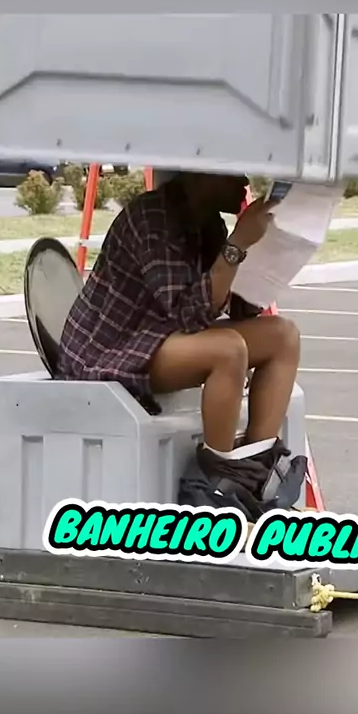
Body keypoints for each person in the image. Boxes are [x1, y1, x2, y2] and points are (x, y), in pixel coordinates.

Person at [57, 171, 301, 502]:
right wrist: (236, 246)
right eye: (232, 172)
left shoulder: (208, 223)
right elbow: (188, 315)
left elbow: (238, 307)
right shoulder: (152, 218)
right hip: (109, 352)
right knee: (228, 351)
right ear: (202, 173)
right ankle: (216, 484)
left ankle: (254, 470)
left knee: (283, 336)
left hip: (155, 336)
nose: (244, 182)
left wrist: (265, 253)